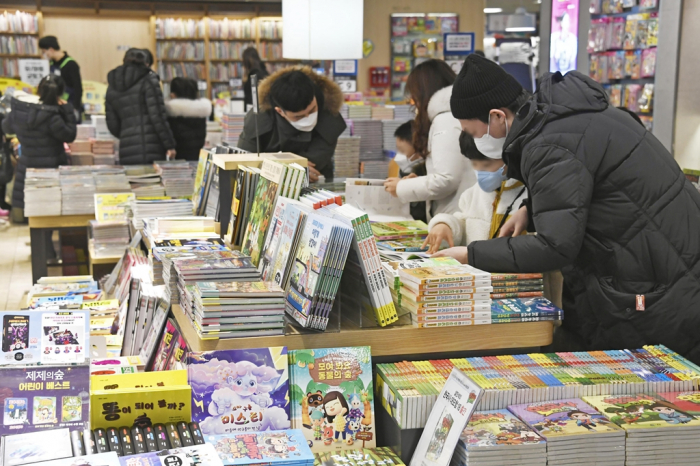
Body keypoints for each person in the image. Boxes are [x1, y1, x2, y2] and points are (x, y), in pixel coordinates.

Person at [443, 53, 700, 362]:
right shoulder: (565, 118)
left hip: (656, 287)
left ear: (498, 116)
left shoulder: (548, 145)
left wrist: (471, 255)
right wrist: (530, 205)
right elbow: (585, 182)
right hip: (664, 266)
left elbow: (555, 246)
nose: (478, 141)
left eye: (474, 132)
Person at [384, 59, 475, 222]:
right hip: (458, 214)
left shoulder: (445, 120)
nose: (414, 104)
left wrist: (401, 187)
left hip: (455, 217)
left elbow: (446, 179)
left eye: (414, 97)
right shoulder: (456, 115)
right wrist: (418, 181)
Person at [237, 67, 346, 182]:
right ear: (280, 111)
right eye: (299, 116)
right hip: (267, 184)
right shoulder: (259, 118)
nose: (308, 118)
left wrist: (275, 163)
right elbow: (244, 160)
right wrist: (287, 169)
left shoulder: (329, 110)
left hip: (315, 183)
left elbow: (315, 161)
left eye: (312, 110)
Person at [423, 131, 527, 253]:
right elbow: (463, 222)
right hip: (478, 270)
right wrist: (446, 225)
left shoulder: (529, 196)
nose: (479, 171)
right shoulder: (472, 194)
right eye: (474, 164)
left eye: (486, 165)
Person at [2, 75, 76, 217]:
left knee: (29, 212)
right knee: (49, 212)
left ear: (38, 90)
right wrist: (67, 109)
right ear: (60, 94)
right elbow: (70, 136)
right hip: (52, 169)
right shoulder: (53, 117)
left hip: (27, 166)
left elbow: (6, 128)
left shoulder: (20, 111)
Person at [105, 48, 176, 165]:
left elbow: (112, 123)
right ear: (145, 63)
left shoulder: (112, 86)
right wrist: (169, 145)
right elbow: (158, 116)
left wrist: (127, 134)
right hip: (152, 147)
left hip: (126, 149)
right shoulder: (149, 80)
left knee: (132, 182)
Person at [165, 77, 212, 161]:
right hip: (196, 159)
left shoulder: (171, 115)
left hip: (176, 161)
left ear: (173, 95)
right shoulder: (200, 112)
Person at [39, 36, 83, 119]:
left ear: (51, 50)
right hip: (57, 104)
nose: (43, 55)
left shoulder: (71, 64)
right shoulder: (52, 63)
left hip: (70, 104)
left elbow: (78, 88)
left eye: (44, 52)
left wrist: (75, 108)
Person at [393, 120, 427, 223]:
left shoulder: (429, 173)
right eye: (398, 150)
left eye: (403, 151)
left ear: (419, 147)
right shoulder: (404, 168)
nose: (400, 156)